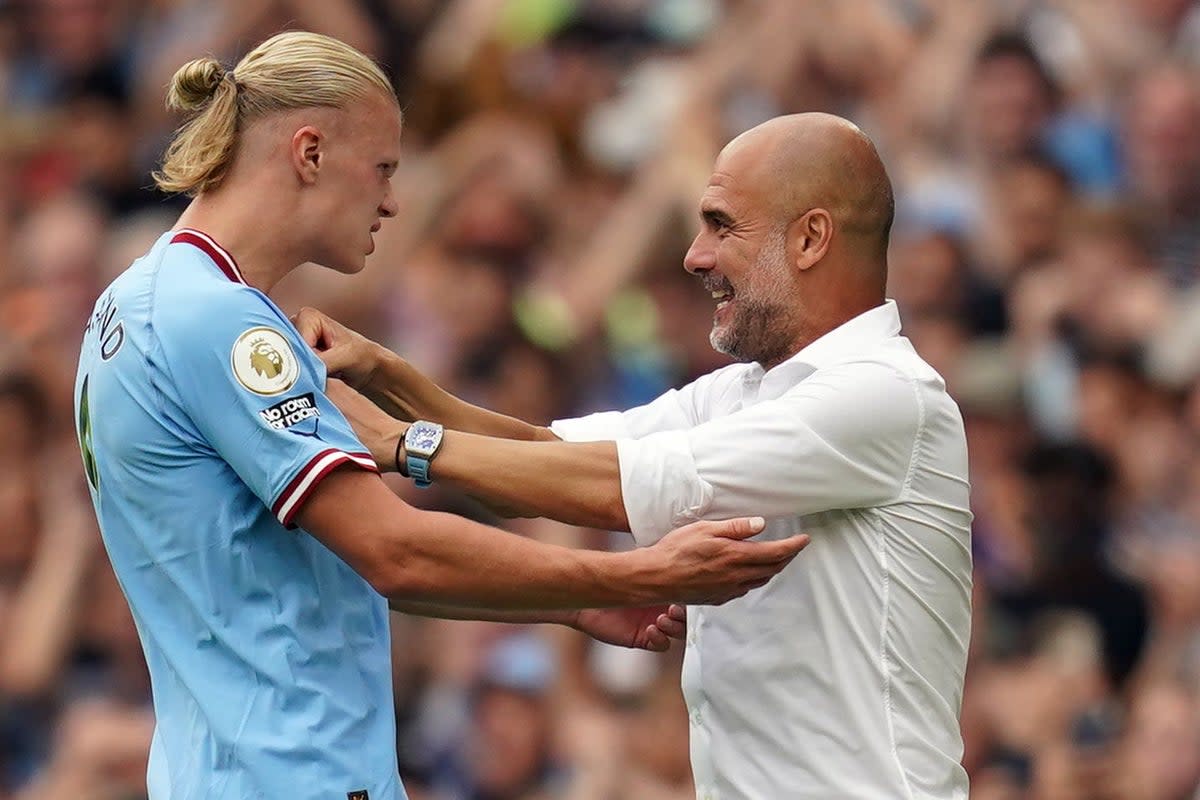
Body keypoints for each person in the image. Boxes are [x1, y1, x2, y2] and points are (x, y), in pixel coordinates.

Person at [72, 32, 811, 800]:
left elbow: (357, 569)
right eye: (384, 169)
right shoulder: (220, 322)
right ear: (310, 152)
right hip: (291, 777)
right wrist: (636, 573)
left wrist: (577, 596)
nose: (394, 201)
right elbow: (395, 550)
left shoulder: (132, 301)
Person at [299, 112, 974, 799]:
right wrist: (386, 375)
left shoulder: (883, 393)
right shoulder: (743, 392)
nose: (695, 255)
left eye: (721, 225)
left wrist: (403, 444)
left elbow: (621, 488)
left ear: (810, 238)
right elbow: (539, 456)